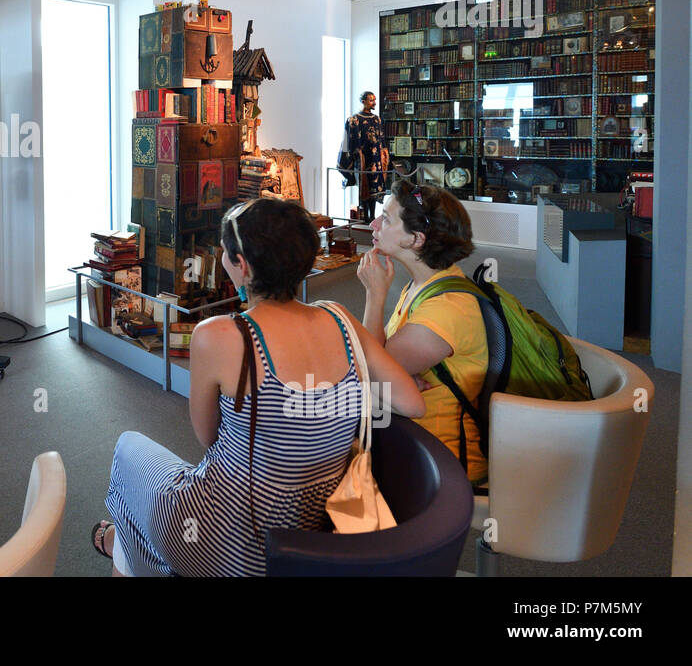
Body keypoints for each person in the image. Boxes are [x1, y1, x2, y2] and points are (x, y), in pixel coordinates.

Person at [93, 198, 424, 576]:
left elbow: (207, 437)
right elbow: (412, 403)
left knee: (128, 451)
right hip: (311, 544)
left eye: (224, 252)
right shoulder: (340, 316)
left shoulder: (218, 335)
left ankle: (125, 546)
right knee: (142, 515)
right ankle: (131, 546)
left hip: (232, 543)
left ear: (242, 267)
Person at [357, 179, 487, 485]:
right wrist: (396, 376)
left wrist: (375, 297)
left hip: (437, 459)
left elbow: (368, 374)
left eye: (387, 219)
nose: (375, 223)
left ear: (416, 239)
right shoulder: (424, 285)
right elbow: (379, 369)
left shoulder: (447, 308)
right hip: (408, 434)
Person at [344, 91, 389, 221]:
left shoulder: (376, 119)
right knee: (364, 187)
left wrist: (384, 155)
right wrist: (353, 155)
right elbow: (348, 141)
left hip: (376, 158)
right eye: (371, 100)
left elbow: (381, 139)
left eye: (374, 100)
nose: (374, 103)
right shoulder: (354, 120)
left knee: (374, 187)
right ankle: (365, 216)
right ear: (363, 101)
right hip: (363, 159)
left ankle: (373, 215)